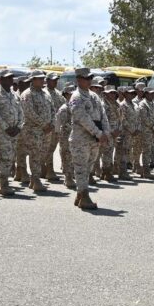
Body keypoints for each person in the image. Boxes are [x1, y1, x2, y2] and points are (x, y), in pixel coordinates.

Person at [69, 68, 109, 210]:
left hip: (94, 139)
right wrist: (99, 133)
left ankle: (80, 195)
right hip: (81, 139)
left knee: (88, 168)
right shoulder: (76, 97)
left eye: (90, 78)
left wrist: (106, 132)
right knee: (80, 168)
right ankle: (84, 197)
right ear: (78, 80)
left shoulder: (94, 96)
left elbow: (103, 114)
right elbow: (83, 118)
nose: (89, 80)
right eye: (86, 78)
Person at [0, 70, 24, 196]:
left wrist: (19, 126)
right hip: (1, 132)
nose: (10, 80)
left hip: (14, 132)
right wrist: (6, 127)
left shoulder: (14, 95)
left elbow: (21, 112)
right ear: (1, 79)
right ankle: (4, 185)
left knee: (8, 158)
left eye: (11, 78)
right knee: (6, 157)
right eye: (7, 78)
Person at [20, 70, 54, 193]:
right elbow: (29, 113)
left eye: (42, 78)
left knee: (42, 155)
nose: (42, 80)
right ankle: (36, 179)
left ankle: (34, 180)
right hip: (33, 131)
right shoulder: (27, 94)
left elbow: (52, 109)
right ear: (32, 80)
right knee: (35, 154)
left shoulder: (46, 93)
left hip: (46, 130)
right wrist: (44, 124)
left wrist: (52, 124)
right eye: (39, 78)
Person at [43, 72, 64, 182]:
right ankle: (48, 170)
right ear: (47, 81)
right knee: (46, 148)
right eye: (53, 80)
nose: (55, 82)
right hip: (46, 125)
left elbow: (63, 106)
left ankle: (45, 168)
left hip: (56, 125)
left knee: (51, 148)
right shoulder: (44, 92)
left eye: (56, 80)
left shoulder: (58, 93)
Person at [55, 84, 75, 189]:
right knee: (67, 156)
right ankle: (68, 177)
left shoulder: (74, 107)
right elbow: (61, 124)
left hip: (74, 136)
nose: (72, 96)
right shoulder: (64, 108)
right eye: (70, 94)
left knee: (73, 157)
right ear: (66, 95)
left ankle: (71, 175)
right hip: (66, 136)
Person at [138, 87, 154, 179]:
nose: (152, 95)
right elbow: (145, 118)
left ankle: (146, 170)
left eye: (153, 93)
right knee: (146, 151)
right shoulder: (143, 104)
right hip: (147, 131)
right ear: (145, 94)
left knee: (150, 151)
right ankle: (145, 170)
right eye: (150, 93)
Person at [117, 86, 138, 181]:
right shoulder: (122, 105)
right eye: (129, 93)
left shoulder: (133, 104)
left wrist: (136, 129)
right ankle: (122, 172)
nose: (131, 95)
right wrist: (131, 130)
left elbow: (136, 118)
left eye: (132, 93)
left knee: (128, 152)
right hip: (125, 133)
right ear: (125, 94)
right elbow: (123, 120)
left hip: (132, 133)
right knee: (124, 152)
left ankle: (124, 171)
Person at [101, 86, 121, 182]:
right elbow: (104, 120)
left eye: (113, 92)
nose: (112, 94)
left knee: (110, 151)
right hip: (107, 132)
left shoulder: (116, 104)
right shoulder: (104, 105)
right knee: (106, 152)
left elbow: (120, 118)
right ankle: (106, 172)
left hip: (115, 132)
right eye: (110, 93)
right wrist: (111, 131)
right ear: (105, 94)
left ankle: (106, 171)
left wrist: (118, 130)